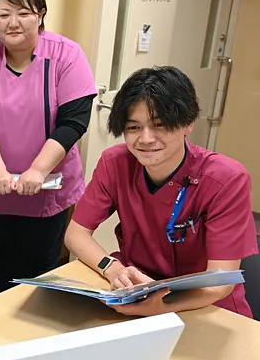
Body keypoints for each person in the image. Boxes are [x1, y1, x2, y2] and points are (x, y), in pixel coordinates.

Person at [65, 66, 256, 318]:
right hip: (138, 290)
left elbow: (220, 281)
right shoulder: (115, 163)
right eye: (133, 128)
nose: (145, 139)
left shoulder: (226, 179)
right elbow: (76, 234)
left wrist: (160, 307)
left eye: (160, 125)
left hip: (206, 305)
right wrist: (113, 269)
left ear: (188, 123)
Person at [0, 0, 97, 296]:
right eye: (4, 14)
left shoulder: (66, 55)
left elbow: (73, 121)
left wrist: (38, 170)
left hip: (48, 187)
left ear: (40, 14)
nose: (13, 22)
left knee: (40, 269)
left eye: (23, 12)